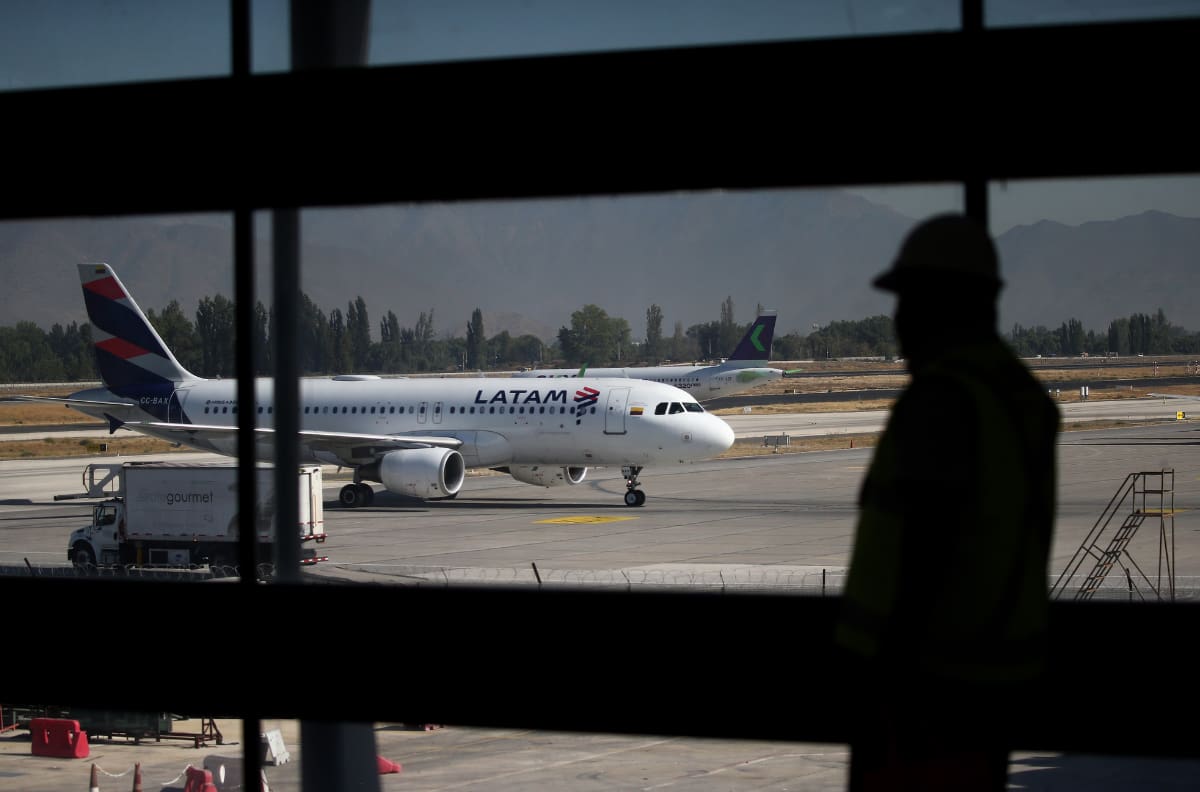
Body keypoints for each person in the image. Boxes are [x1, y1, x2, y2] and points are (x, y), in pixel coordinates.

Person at [834, 213, 1060, 790]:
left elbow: (927, 555)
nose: (900, 322)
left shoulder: (943, 402)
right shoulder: (1020, 399)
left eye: (910, 302)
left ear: (949, 303)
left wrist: (893, 685)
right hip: (987, 682)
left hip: (921, 694)